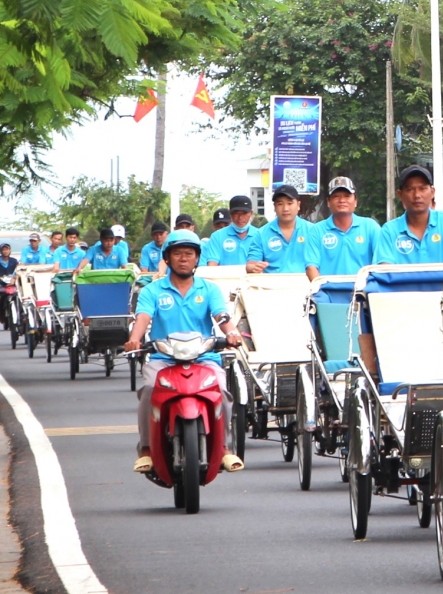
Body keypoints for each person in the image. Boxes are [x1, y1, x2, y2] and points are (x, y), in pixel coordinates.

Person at [125, 230, 244, 473]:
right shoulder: (152, 291)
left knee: (222, 391)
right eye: (177, 253)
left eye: (189, 253)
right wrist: (135, 339)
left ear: (197, 258)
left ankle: (224, 448)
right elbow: (143, 317)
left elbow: (221, 315)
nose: (183, 258)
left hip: (204, 358)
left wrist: (232, 333)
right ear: (167, 258)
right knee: (149, 390)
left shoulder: (209, 289)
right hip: (164, 359)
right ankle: (146, 450)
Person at [373, 165, 443, 265]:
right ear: (400, 195)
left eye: (422, 188)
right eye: (410, 189)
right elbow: (385, 270)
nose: (417, 195)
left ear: (432, 192)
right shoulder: (389, 231)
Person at [306, 177, 381, 279]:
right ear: (328, 202)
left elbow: (380, 264)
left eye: (347, 196)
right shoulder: (317, 230)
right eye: (336, 196)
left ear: (355, 201)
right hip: (328, 288)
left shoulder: (370, 227)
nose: (342, 200)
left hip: (364, 287)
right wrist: (322, 287)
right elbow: (311, 267)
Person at [246, 185, 316, 274]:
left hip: (306, 281)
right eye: (280, 204)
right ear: (274, 207)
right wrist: (254, 267)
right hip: (272, 282)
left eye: (290, 203)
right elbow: (250, 264)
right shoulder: (261, 234)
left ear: (298, 205)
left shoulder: (313, 231)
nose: (285, 209)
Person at [204, 196, 259, 266]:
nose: (240, 217)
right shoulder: (217, 236)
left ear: (251, 213)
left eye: (244, 213)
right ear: (230, 214)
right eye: (236, 213)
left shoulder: (259, 235)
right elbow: (212, 264)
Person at [0, 243, 19, 324]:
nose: (5, 251)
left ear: (10, 250)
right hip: (1, 284)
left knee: (20, 295)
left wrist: (14, 278)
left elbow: (18, 271)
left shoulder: (14, 261)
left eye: (7, 249)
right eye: (4, 250)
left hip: (13, 284)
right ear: (1, 251)